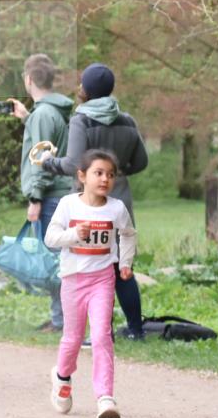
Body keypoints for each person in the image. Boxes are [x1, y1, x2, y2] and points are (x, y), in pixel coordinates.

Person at [40, 62, 148, 340]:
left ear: (85, 89)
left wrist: (48, 162)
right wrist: (116, 173)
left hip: (89, 203)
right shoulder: (127, 120)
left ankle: (101, 332)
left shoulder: (82, 120)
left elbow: (73, 163)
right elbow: (141, 161)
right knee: (122, 267)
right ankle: (136, 329)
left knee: (92, 266)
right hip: (119, 199)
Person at [45, 149, 137, 418]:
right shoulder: (68, 204)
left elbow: (128, 234)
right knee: (73, 338)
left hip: (102, 280)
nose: (105, 179)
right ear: (82, 176)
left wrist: (125, 262)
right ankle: (62, 377)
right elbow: (51, 238)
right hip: (73, 281)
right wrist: (74, 234)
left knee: (101, 336)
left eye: (110, 174)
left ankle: (105, 397)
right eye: (99, 173)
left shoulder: (116, 208)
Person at [7, 53, 73, 332]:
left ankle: (62, 321)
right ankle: (60, 318)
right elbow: (47, 146)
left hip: (50, 195)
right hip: (57, 193)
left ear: (28, 79)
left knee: (54, 261)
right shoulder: (49, 112)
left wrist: (35, 198)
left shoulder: (43, 114)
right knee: (57, 259)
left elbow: (42, 161)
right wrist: (27, 118)